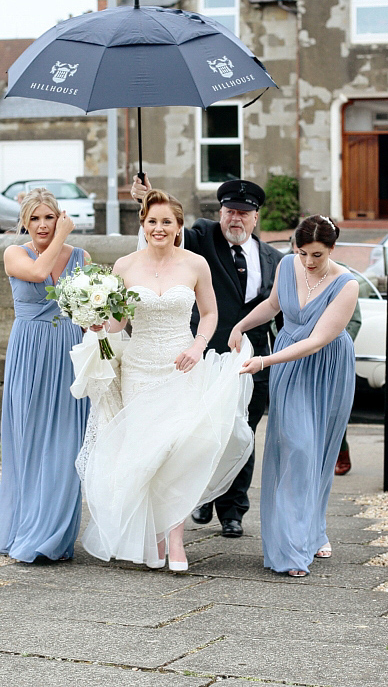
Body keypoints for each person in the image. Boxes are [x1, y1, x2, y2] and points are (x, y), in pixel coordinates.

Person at [79, 190, 254, 572]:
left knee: (179, 449)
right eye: (152, 221)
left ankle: (175, 537)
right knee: (148, 453)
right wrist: (97, 324)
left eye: (167, 222)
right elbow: (118, 322)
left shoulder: (195, 264)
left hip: (182, 366)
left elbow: (209, 314)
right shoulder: (124, 266)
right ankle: (154, 538)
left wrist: (198, 346)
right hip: (139, 368)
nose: (159, 228)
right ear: (143, 224)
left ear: (178, 228)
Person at [131, 176, 285, 539]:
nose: (237, 219)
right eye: (231, 211)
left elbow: (280, 309)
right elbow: (168, 227)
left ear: (256, 218)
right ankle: (199, 496)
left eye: (245, 213)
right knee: (198, 436)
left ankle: (233, 511)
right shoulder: (201, 238)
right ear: (220, 213)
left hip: (251, 362)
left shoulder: (273, 259)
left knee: (240, 433)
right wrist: (150, 197)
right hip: (204, 357)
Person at [227, 215, 359, 577]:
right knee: (294, 447)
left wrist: (264, 360)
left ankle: (311, 530)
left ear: (332, 249)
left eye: (317, 254)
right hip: (290, 364)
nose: (309, 262)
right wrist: (241, 324)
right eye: (302, 253)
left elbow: (317, 341)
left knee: (315, 451)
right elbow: (273, 306)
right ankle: (291, 545)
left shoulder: (347, 285)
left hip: (327, 366)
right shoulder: (288, 265)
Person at [0, 187, 89, 562]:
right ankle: (25, 529)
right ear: (24, 221)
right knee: (30, 443)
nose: (42, 225)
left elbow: (85, 311)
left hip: (67, 350)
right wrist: (63, 235)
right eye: (34, 218)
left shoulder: (80, 258)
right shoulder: (14, 253)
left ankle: (54, 535)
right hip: (30, 353)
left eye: (49, 217)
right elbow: (37, 272)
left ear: (58, 216)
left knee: (68, 444)